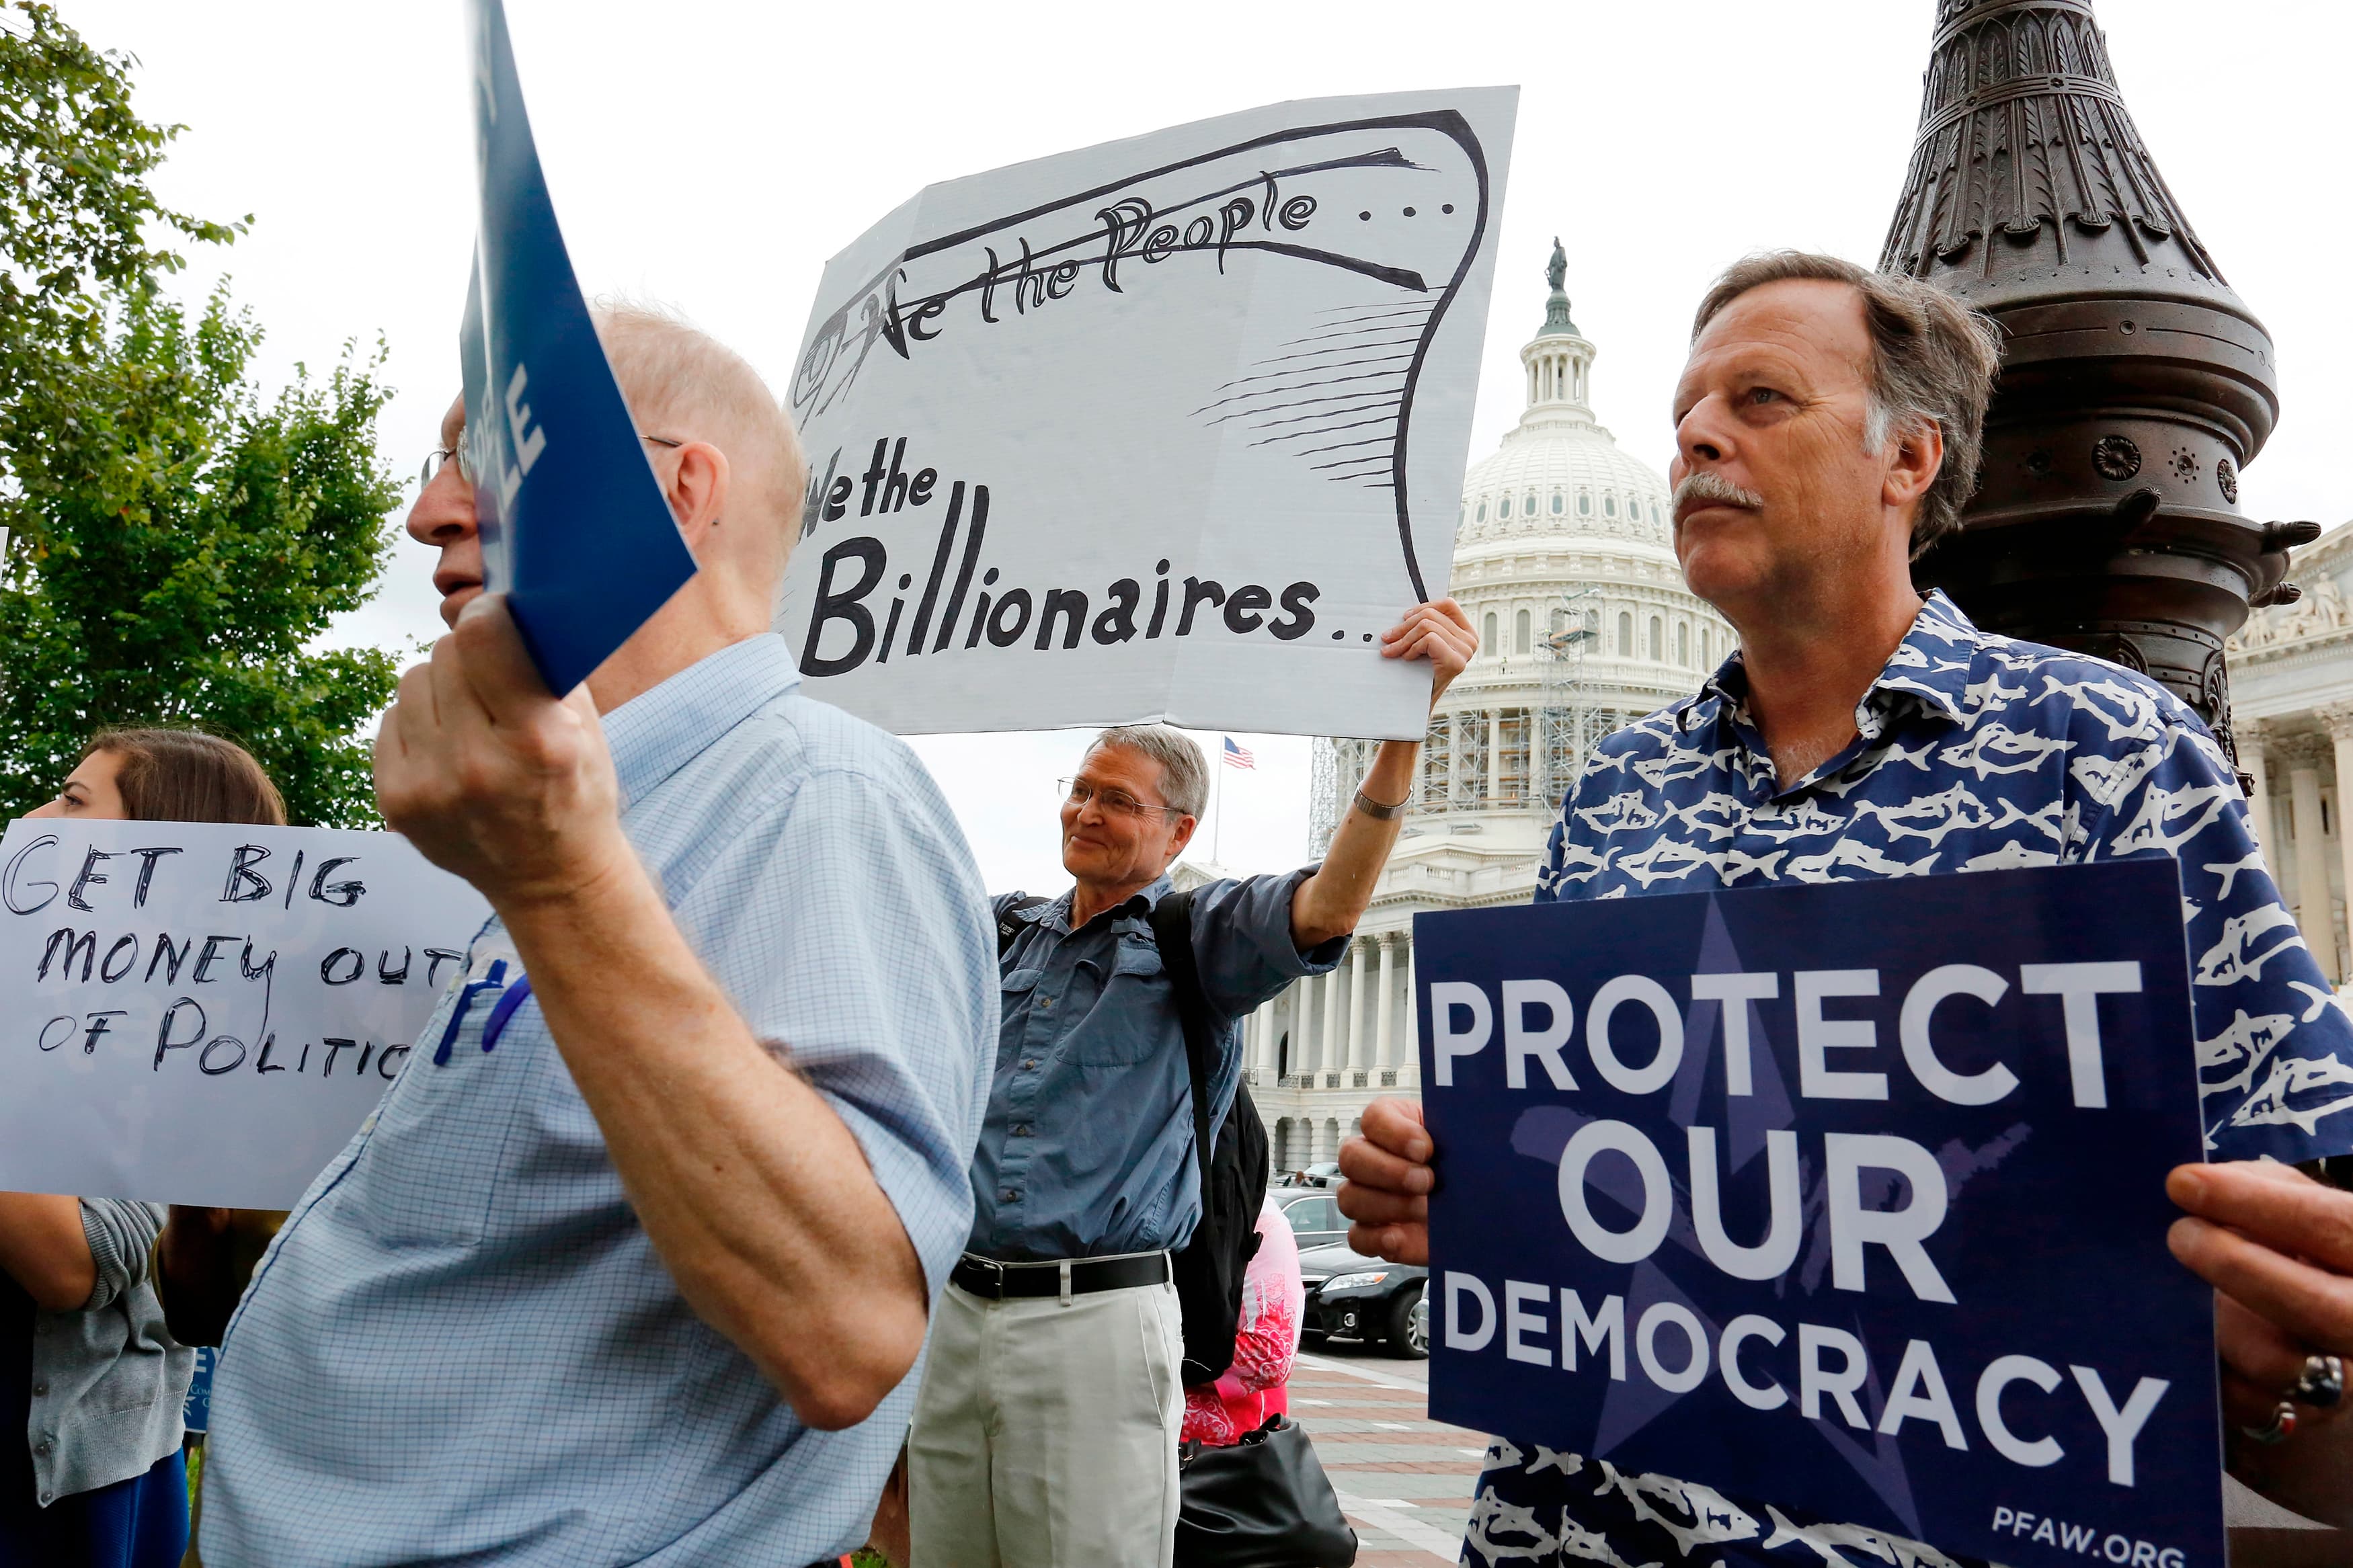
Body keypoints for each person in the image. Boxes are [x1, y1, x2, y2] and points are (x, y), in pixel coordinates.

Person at [1337, 251, 2353, 1567]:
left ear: (1908, 459)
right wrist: (1459, 1193)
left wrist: (2291, 1371)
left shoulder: (2101, 751)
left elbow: (2289, 1261)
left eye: (1761, 399)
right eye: (1684, 414)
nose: (1697, 434)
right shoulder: (1613, 793)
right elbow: (1597, 1190)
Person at [161, 304, 997, 1567]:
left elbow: (846, 1330)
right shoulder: (573, 823)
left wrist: (560, 882)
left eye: (485, 457)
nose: (432, 513)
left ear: (675, 491)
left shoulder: (812, 794)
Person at [910, 604, 1474, 1568]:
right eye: (1081, 789)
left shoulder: (1193, 940)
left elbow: (1328, 906)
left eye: (1119, 801)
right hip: (958, 1309)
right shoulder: (1001, 932)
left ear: (1178, 834)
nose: (1088, 811)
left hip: (1094, 1320)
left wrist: (1398, 744)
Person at [2, 728, 287, 1568]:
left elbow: (72, 1265)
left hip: (60, 1494)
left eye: (73, 801)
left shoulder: (214, 1042)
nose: (32, 817)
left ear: (162, 850)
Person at [1181, 1193, 1304, 1448]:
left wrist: (1149, 1358)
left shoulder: (1257, 1217)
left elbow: (1270, 1355)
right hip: (1144, 1438)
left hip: (1225, 1456)